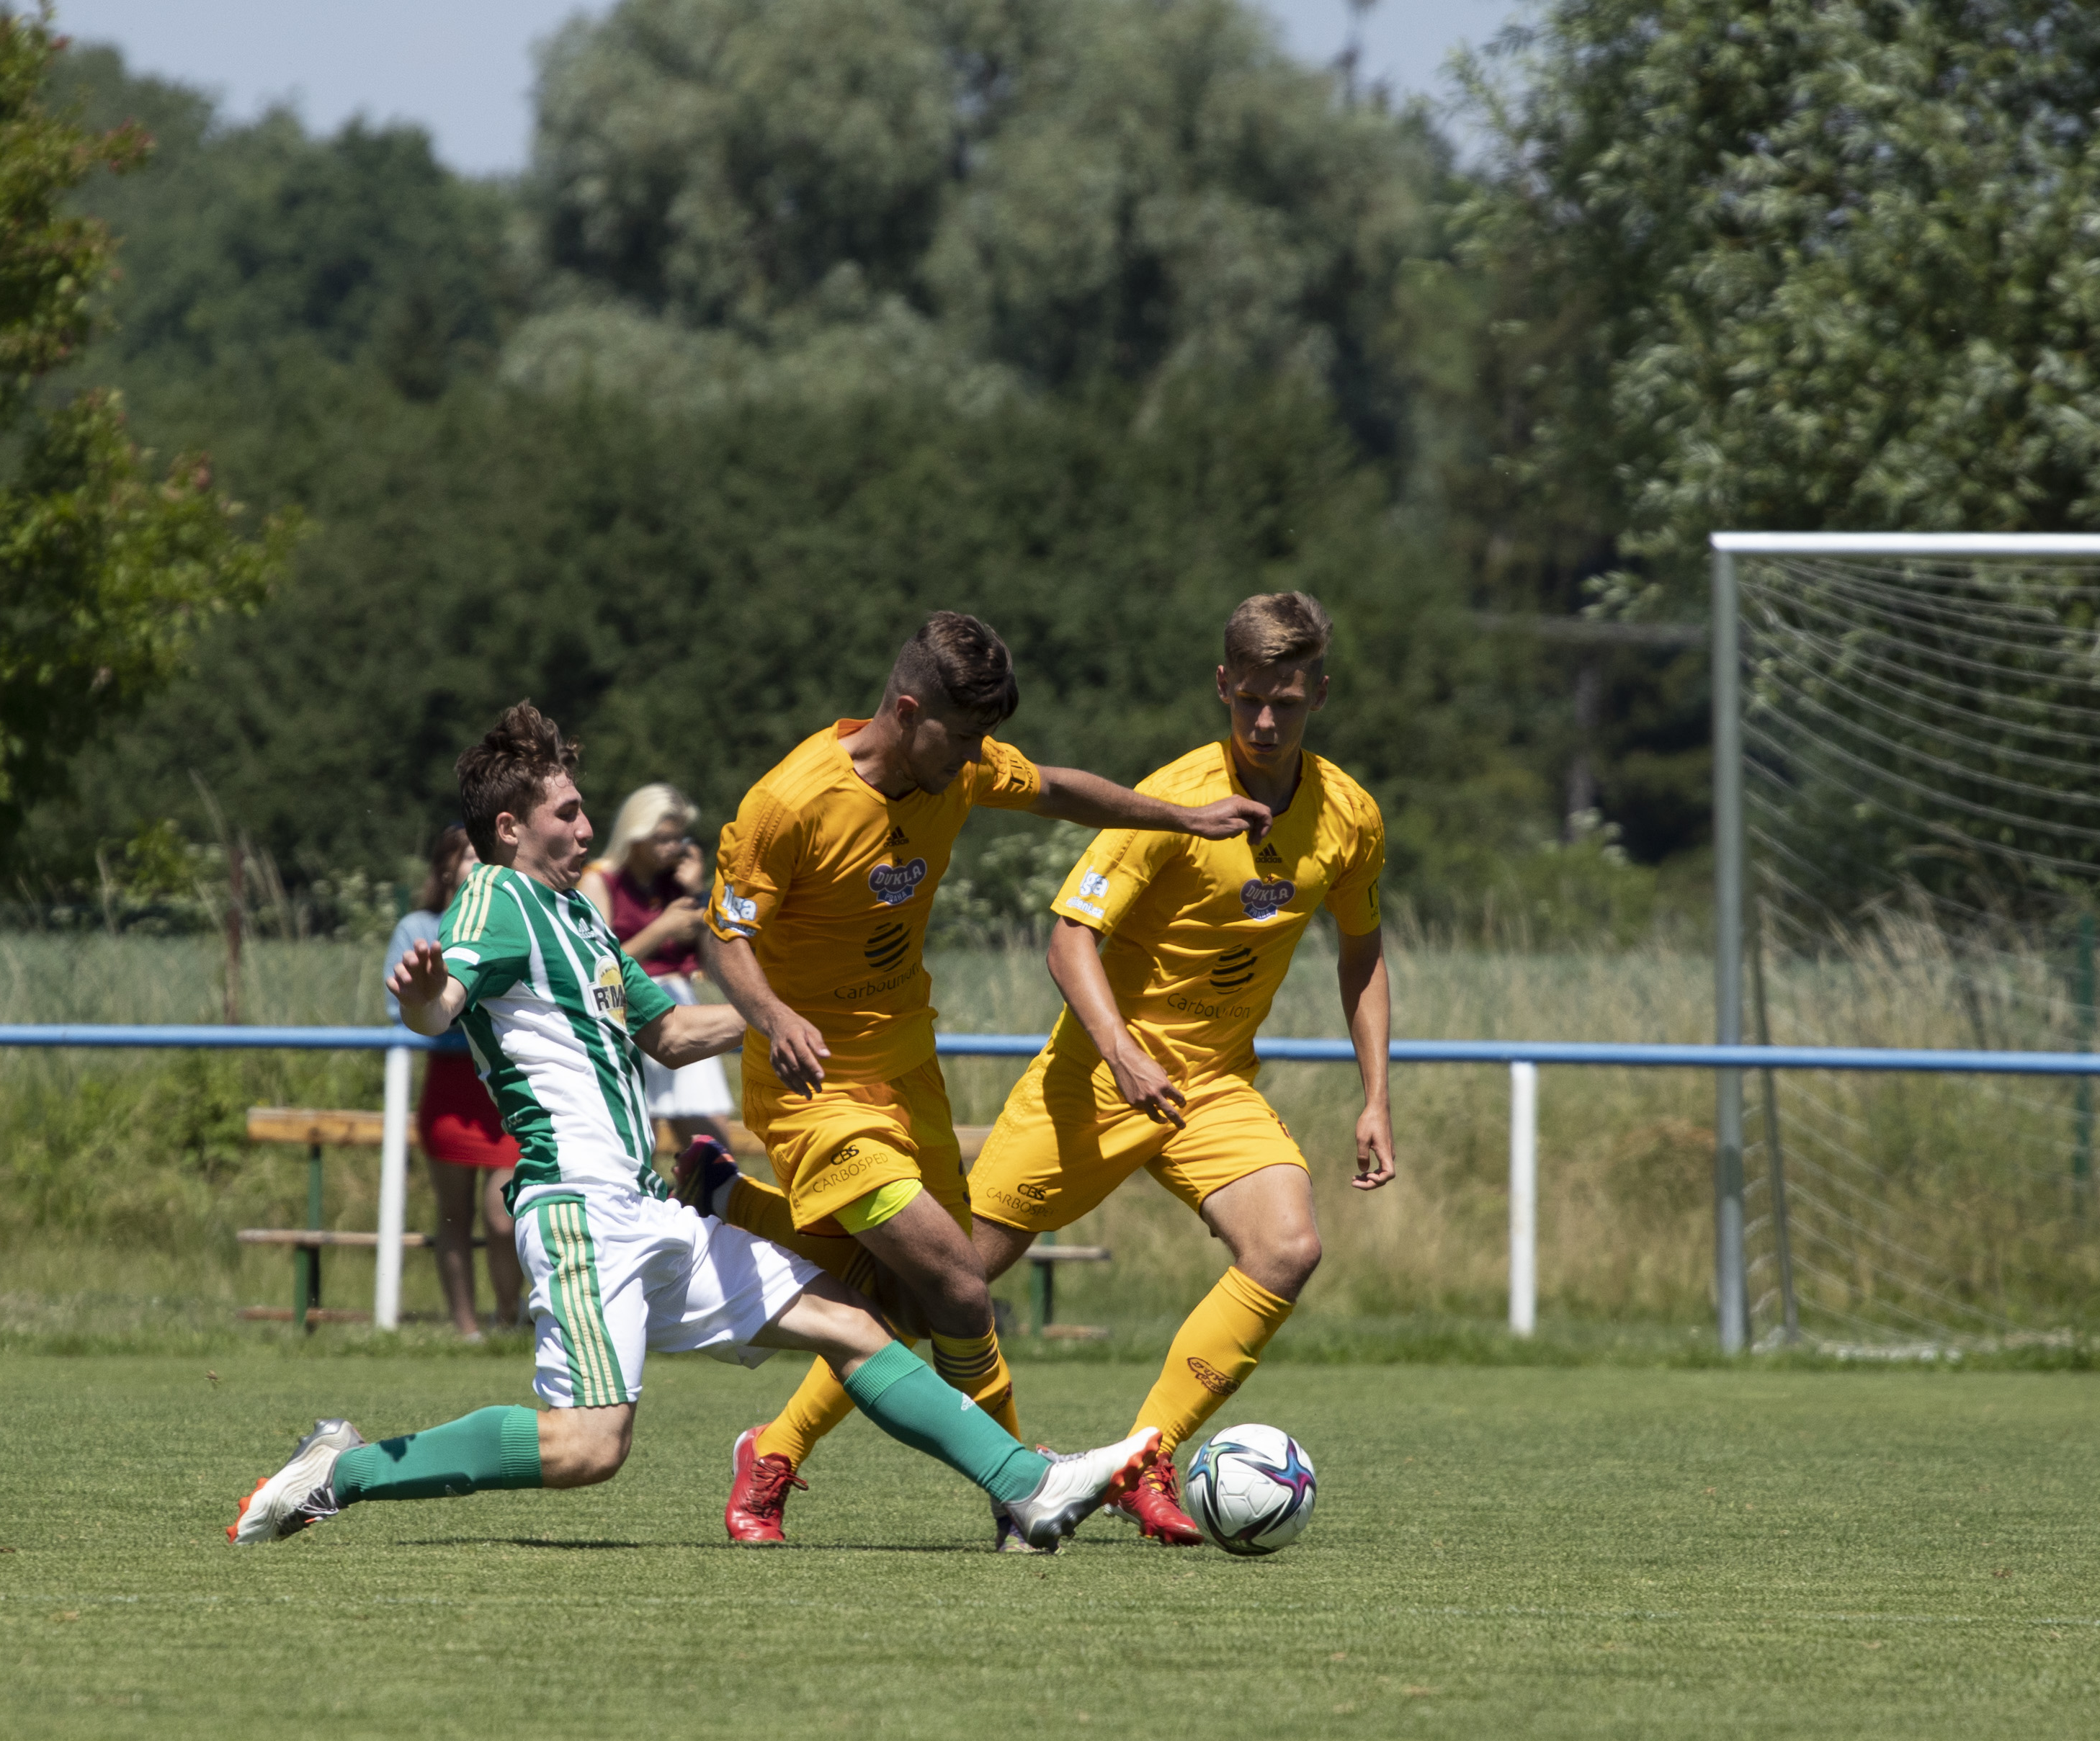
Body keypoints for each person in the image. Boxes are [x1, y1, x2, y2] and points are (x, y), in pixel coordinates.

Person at [225, 701, 1166, 1551]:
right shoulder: (495, 899)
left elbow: (671, 1032)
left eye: (584, 808)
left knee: (852, 1321)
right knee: (588, 1446)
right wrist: (427, 993)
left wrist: (808, 1009)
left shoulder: (576, 919)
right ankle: (340, 1471)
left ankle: (1026, 1486)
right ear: (507, 825)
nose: (586, 827)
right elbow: (437, 1011)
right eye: (565, 813)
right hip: (578, 1211)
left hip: (642, 1210)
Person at [690, 610, 1273, 1547]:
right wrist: (772, 1015)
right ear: (908, 709)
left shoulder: (955, 764)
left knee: (910, 1294)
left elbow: (1053, 790)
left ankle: (730, 1208)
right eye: (962, 736)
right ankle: (1022, 1494)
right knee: (960, 1287)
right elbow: (723, 934)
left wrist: (1181, 816)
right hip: (816, 1083)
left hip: (906, 1063)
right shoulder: (790, 800)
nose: (975, 758)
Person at [962, 591, 1393, 1543]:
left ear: (1317, 690)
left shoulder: (1348, 815)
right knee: (949, 1279)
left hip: (1209, 1086)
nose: (1266, 721)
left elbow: (1359, 952)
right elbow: (1068, 938)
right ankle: (775, 1454)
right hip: (1091, 1077)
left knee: (1285, 1246)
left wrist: (1373, 1098)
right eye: (1247, 701)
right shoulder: (1174, 798)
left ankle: (1142, 1458)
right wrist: (1119, 1050)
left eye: (1285, 699)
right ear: (1220, 688)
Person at [384, 824, 526, 1339]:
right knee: (452, 1217)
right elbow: (396, 1007)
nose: (480, 864)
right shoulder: (418, 926)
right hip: (449, 1088)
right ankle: (467, 1329)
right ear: (447, 866)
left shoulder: (513, 919)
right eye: (470, 855)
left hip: (504, 1088)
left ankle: (509, 1319)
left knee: (503, 1212)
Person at [578, 783, 739, 1156]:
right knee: (635, 1145)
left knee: (714, 1151)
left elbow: (713, 964)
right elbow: (596, 966)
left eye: (679, 838)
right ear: (635, 834)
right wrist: (662, 929)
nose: (673, 847)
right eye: (663, 838)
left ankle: (716, 1210)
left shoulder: (677, 885)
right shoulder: (598, 880)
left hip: (680, 1005)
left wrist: (698, 895)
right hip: (627, 1012)